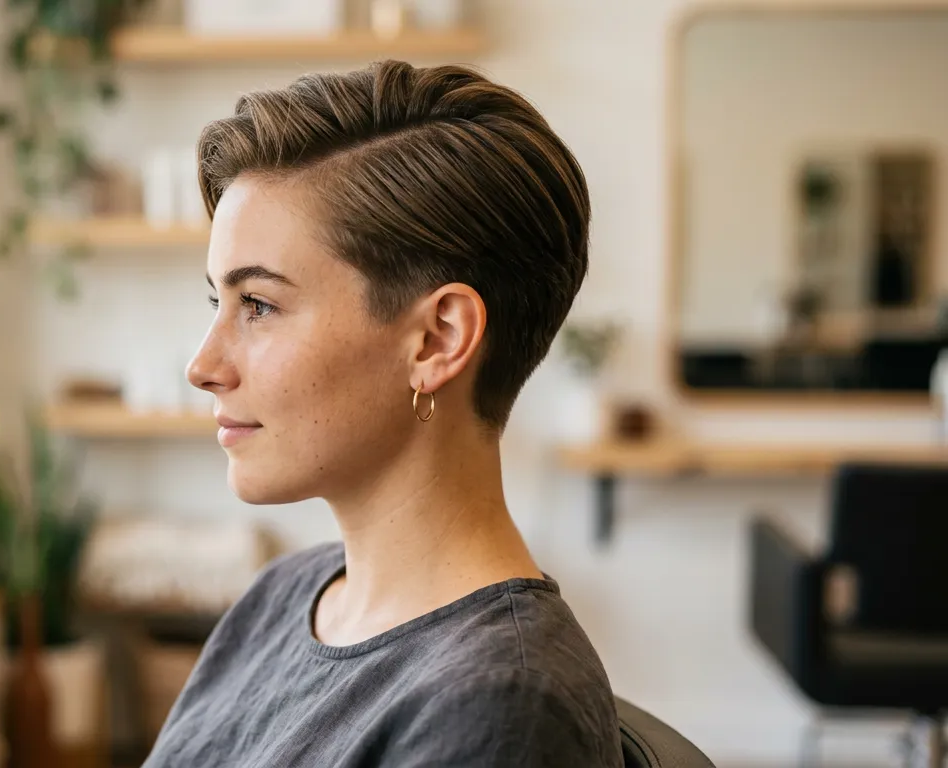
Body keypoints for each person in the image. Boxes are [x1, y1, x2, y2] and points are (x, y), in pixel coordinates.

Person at [144, 60, 620, 767]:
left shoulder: (498, 710)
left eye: (260, 306)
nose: (203, 366)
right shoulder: (288, 593)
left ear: (438, 340)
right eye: (220, 302)